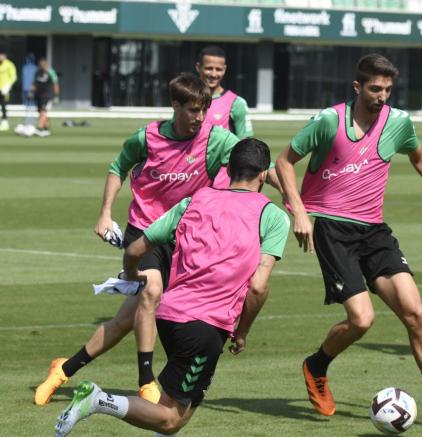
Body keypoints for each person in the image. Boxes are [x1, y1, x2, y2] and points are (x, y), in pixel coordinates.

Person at [275, 53, 422, 433]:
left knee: (416, 314)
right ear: (357, 87)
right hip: (333, 231)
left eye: (387, 89)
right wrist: (299, 211)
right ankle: (316, 366)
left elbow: (419, 158)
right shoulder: (328, 121)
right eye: (374, 88)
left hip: (374, 232)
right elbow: (285, 162)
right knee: (362, 320)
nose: (382, 95)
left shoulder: (398, 122)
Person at [54, 138, 290, 437]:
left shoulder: (195, 200)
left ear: (229, 169)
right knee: (171, 418)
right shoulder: (272, 217)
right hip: (204, 327)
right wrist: (242, 332)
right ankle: (98, 400)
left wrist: (131, 276)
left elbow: (136, 248)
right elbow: (258, 287)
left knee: (170, 407)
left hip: (167, 315)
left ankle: (100, 401)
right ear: (263, 174)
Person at [34, 73, 243, 407]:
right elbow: (118, 167)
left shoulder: (216, 139)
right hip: (144, 234)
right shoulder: (146, 137)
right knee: (152, 292)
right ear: (175, 106)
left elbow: (253, 160)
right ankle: (146, 380)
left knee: (122, 323)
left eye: (204, 110)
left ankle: (63, 369)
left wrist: (294, 202)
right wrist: (105, 213)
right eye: (192, 110)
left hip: (184, 241)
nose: (200, 117)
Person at [196, 45, 253, 138]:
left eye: (218, 69)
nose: (214, 74)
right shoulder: (187, 99)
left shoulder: (237, 103)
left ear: (224, 69)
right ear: (198, 67)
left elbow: (245, 144)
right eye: (209, 68)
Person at [31, 57, 60, 137]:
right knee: (40, 111)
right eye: (41, 65)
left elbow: (55, 83)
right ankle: (46, 128)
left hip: (47, 95)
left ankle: (39, 128)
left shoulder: (51, 72)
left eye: (44, 64)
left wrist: (56, 95)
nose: (42, 66)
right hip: (38, 95)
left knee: (43, 111)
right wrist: (32, 92)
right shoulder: (37, 72)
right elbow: (34, 83)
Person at [0, 47, 17, 131]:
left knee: (3, 105)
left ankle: (4, 122)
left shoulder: (9, 64)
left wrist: (7, 87)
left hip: (4, 89)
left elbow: (13, 77)